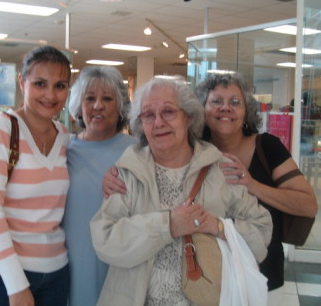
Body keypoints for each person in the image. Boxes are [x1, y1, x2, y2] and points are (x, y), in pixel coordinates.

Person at [91, 77, 272, 306]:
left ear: (188, 117)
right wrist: (167, 225)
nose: (158, 122)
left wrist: (218, 227)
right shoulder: (128, 173)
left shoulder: (220, 169)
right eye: (148, 115)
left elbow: (261, 230)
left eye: (168, 112)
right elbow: (105, 240)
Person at [194, 73, 317, 305]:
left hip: (265, 273)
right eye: (216, 101)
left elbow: (308, 204)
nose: (225, 108)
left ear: (246, 112)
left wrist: (252, 185)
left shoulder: (267, 147)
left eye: (235, 102)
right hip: (206, 274)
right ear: (202, 109)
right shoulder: (191, 151)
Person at [0, 45, 72, 306]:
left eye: (60, 85)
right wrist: (17, 286)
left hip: (57, 273)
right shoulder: (0, 127)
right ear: (22, 83)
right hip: (4, 277)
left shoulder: (65, 137)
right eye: (40, 83)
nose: (50, 94)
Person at [62, 66, 137, 306]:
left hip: (120, 265)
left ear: (120, 105)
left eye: (107, 98)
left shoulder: (137, 151)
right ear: (78, 105)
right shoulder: (63, 149)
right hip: (70, 263)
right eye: (90, 98)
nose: (98, 106)